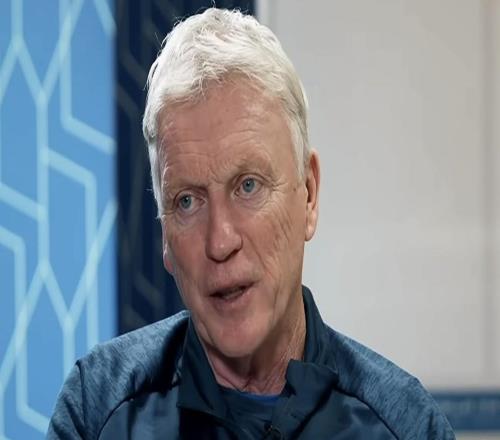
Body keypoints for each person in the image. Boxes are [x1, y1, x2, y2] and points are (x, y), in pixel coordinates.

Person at [47, 8, 455, 439]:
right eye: (187, 201)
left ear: (309, 194)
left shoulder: (405, 426)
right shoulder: (97, 410)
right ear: (165, 233)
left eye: (248, 186)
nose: (220, 241)